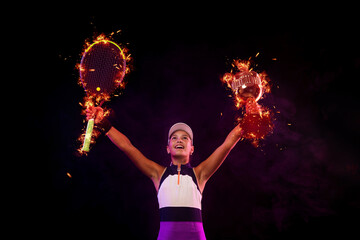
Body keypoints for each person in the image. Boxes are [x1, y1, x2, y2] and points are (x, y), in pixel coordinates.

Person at [86, 106, 243, 240]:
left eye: (185, 138)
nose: (179, 140)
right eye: (174, 138)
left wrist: (248, 120)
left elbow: (227, 145)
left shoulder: (200, 174)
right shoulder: (158, 174)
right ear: (168, 148)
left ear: (192, 148)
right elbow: (128, 147)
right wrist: (104, 124)